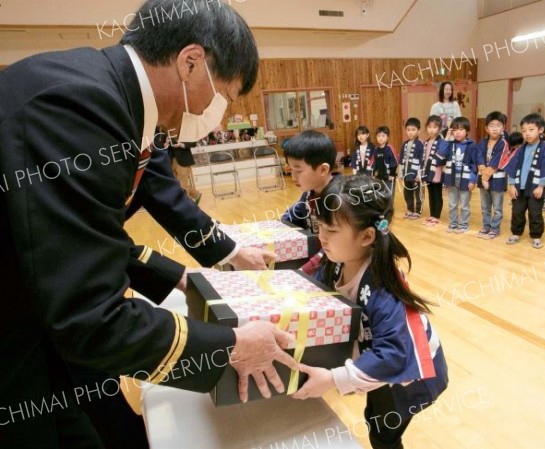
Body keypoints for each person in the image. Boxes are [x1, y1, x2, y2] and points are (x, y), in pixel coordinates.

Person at [0, 2, 297, 447]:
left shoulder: (113, 97)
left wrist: (179, 276)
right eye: (225, 98)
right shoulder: (80, 108)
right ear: (191, 62)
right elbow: (92, 318)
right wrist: (230, 344)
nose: (219, 114)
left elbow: (78, 242)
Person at [292, 175, 448, 449]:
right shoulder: (336, 260)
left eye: (331, 230)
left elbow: (394, 355)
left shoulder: (382, 288)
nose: (322, 237)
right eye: (320, 227)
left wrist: (332, 379)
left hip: (412, 376)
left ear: (367, 236)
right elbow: (307, 285)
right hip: (380, 364)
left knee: (382, 431)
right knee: (375, 415)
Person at [281, 130, 338, 274]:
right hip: (315, 260)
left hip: (334, 265)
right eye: (290, 169)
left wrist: (303, 272)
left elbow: (336, 247)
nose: (292, 177)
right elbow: (289, 218)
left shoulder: (340, 200)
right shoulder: (308, 195)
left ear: (323, 169)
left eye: (298, 171)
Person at [502, 114, 545, 249]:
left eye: (531, 129)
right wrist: (511, 185)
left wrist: (541, 186)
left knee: (535, 213)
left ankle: (536, 236)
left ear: (540, 130)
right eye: (524, 130)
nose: (527, 133)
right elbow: (512, 167)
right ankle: (516, 233)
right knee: (517, 212)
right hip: (519, 187)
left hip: (535, 188)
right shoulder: (519, 150)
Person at [436, 117, 478, 233]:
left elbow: (475, 164)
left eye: (461, 129)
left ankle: (464, 224)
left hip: (465, 180)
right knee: (452, 204)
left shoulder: (472, 145)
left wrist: (472, 180)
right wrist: (447, 138)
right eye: (454, 130)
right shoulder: (449, 144)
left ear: (467, 131)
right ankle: (453, 223)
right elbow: (441, 154)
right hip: (452, 180)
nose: (457, 132)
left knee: (464, 205)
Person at [475, 112, 509, 239]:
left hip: (497, 180)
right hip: (483, 178)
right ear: (486, 128)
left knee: (497, 207)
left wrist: (485, 177)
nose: (495, 128)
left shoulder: (504, 143)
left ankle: (495, 228)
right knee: (485, 206)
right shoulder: (482, 142)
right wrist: (483, 174)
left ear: (503, 128)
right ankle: (486, 226)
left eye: (498, 125)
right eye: (492, 125)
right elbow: (479, 157)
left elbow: (497, 161)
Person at [420, 115, 447, 227]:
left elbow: (443, 155)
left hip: (437, 172)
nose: (432, 129)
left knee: (437, 194)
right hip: (427, 172)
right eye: (430, 127)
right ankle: (432, 215)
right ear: (426, 127)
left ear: (439, 128)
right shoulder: (426, 142)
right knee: (431, 194)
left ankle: (436, 216)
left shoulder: (441, 141)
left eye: (435, 127)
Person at [399, 118, 424, 219]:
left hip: (416, 174)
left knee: (418, 193)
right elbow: (401, 159)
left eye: (413, 129)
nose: (410, 132)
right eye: (408, 130)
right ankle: (410, 209)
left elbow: (422, 160)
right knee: (407, 192)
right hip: (406, 173)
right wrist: (400, 173)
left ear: (419, 130)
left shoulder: (420, 144)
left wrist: (419, 174)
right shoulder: (404, 144)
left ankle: (418, 211)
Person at [168, 138, 202, 203]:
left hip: (183, 160)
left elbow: (193, 143)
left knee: (182, 185)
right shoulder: (165, 129)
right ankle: (196, 194)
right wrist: (165, 144)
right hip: (170, 161)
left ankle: (186, 205)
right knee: (175, 185)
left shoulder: (185, 129)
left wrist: (181, 144)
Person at [372, 126, 398, 197]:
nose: (380, 138)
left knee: (389, 195)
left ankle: (389, 208)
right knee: (380, 195)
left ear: (387, 138)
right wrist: (374, 174)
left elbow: (394, 162)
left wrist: (392, 174)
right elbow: (374, 163)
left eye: (383, 136)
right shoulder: (376, 149)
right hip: (379, 177)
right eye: (378, 136)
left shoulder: (390, 148)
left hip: (389, 177)